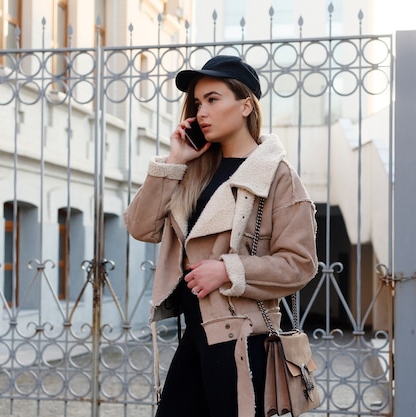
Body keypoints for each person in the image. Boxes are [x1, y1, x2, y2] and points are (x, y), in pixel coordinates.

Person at [123, 55, 318, 417]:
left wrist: (228, 270)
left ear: (246, 105)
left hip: (242, 342)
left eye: (213, 99)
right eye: (197, 103)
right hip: (196, 336)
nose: (201, 112)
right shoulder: (193, 172)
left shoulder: (277, 177)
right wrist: (175, 161)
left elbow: (300, 264)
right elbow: (140, 226)